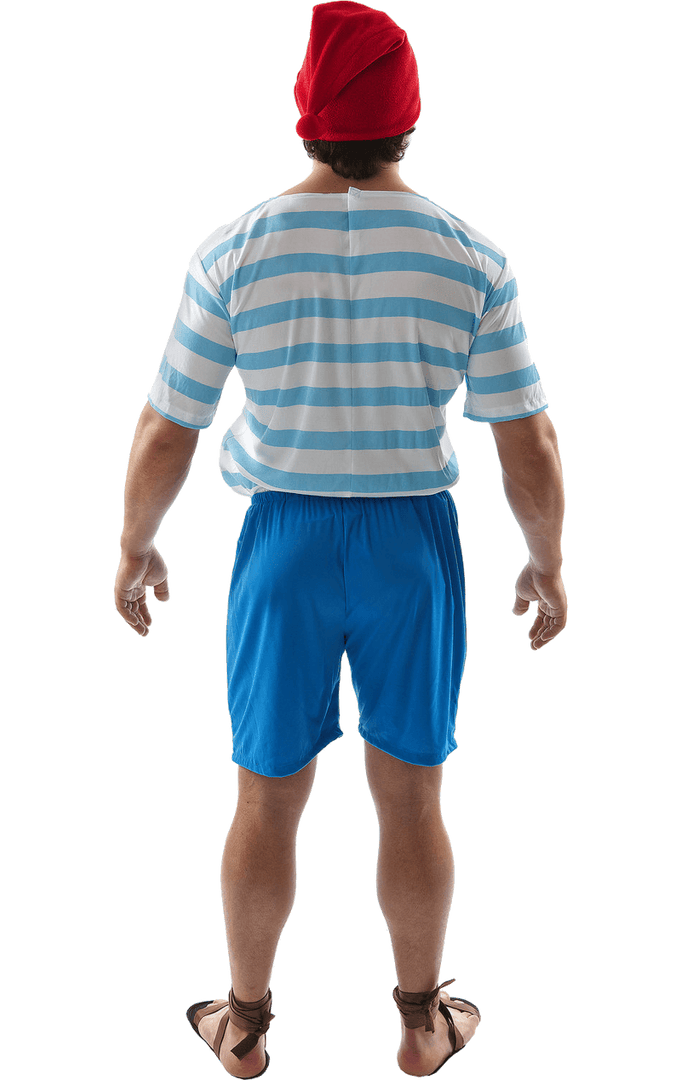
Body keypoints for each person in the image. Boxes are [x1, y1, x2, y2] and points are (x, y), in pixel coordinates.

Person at [113, 2, 567, 1076]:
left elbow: (170, 425)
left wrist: (135, 544)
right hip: (414, 542)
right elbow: (524, 435)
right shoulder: (470, 256)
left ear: (303, 117)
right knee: (411, 794)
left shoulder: (234, 249)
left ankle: (244, 1028)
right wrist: (546, 560)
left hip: (285, 541)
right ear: (411, 117)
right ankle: (418, 1025)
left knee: (264, 795)